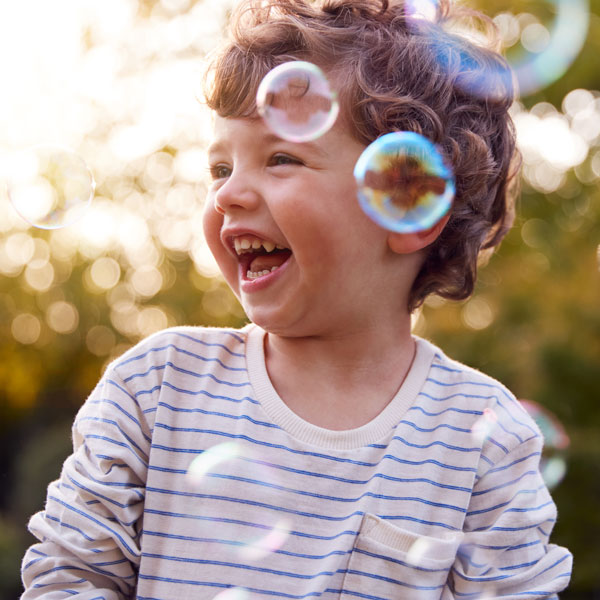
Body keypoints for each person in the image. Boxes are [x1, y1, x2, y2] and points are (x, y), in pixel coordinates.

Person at [21, 1, 573, 598]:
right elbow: (68, 576)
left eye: (281, 158)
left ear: (410, 201)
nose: (229, 193)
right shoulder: (155, 389)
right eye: (219, 168)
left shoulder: (480, 440)